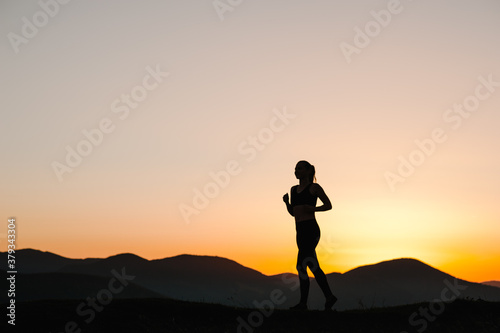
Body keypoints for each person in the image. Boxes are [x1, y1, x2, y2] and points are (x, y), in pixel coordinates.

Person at [283, 160, 337, 311]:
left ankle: (303, 304)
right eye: (295, 169)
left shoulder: (314, 188)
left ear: (308, 171)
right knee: (312, 265)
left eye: (299, 168)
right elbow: (294, 213)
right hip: (299, 230)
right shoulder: (293, 190)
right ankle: (329, 297)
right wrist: (287, 203)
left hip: (311, 230)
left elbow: (328, 205)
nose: (296, 171)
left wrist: (312, 208)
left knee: (301, 265)